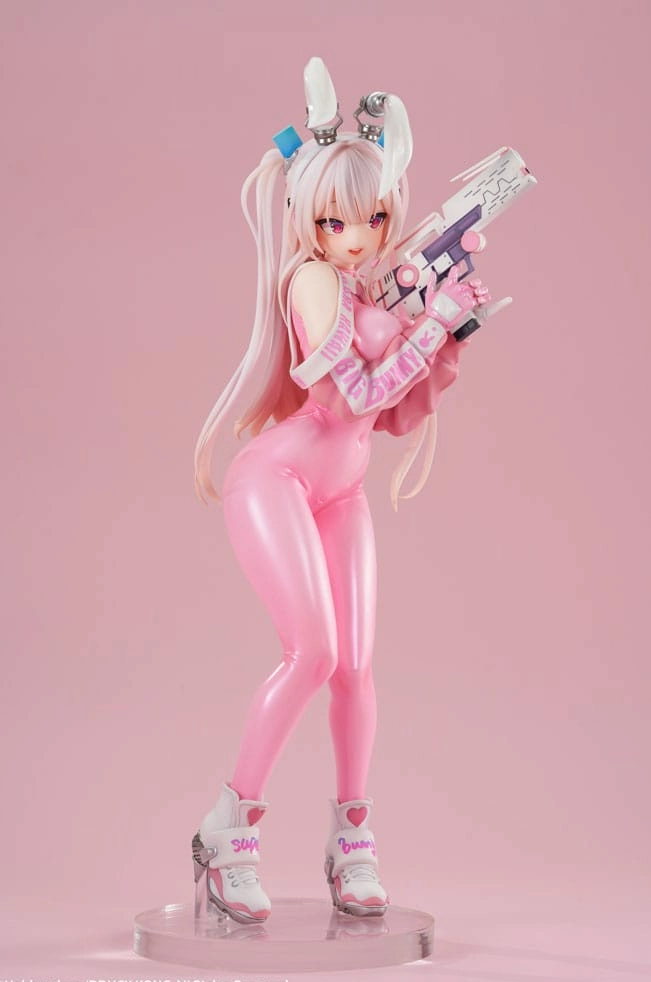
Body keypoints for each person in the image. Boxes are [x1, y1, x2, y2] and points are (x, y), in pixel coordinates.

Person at [191, 58, 491, 924]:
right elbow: (353, 396)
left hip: (342, 491)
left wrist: (443, 324)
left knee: (356, 669)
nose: (356, 237)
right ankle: (227, 832)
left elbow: (388, 413)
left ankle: (351, 840)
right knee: (312, 655)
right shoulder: (313, 281)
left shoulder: (366, 281)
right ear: (307, 218)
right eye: (334, 220)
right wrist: (429, 325)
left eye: (373, 218)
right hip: (277, 478)